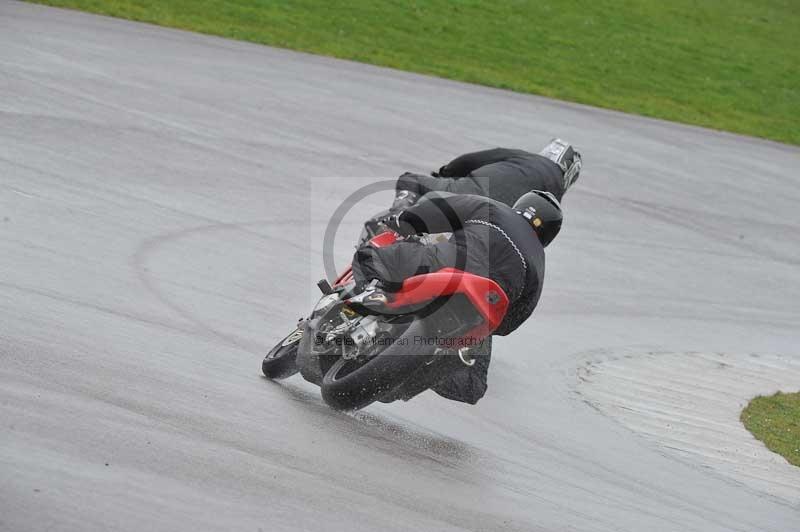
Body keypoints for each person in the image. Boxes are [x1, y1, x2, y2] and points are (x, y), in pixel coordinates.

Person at [351, 188, 563, 404]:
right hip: (483, 307)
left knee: (368, 256)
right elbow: (514, 321)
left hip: (447, 264)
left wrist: (403, 220)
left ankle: (375, 294)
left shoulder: (493, 208)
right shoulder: (539, 262)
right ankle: (413, 378)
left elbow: (436, 211)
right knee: (472, 384)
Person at [390, 138, 581, 212]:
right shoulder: (555, 201)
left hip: (471, 191)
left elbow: (470, 160)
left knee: (410, 180)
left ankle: (395, 219)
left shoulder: (525, 157)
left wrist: (445, 173)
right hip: (497, 225)